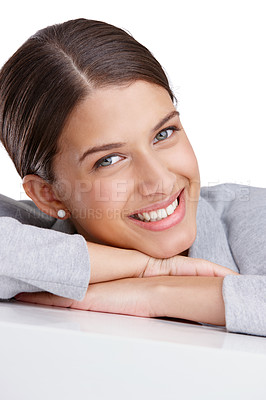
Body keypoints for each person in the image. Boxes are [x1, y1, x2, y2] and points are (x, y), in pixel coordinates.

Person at [0, 18, 265, 337]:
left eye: (164, 133)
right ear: (49, 194)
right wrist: (149, 268)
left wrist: (159, 293)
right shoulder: (29, 234)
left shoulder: (248, 217)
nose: (160, 181)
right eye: (109, 160)